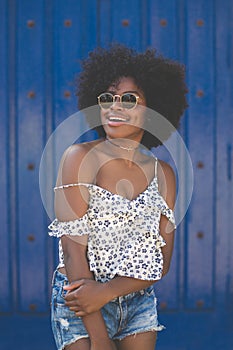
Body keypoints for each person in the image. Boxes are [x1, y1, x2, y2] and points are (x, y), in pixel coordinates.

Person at [48, 44, 188, 350]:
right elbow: (73, 253)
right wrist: (99, 338)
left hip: (137, 301)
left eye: (129, 99)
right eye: (107, 98)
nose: (115, 107)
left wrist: (109, 290)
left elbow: (160, 264)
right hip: (79, 297)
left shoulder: (163, 174)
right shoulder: (80, 158)